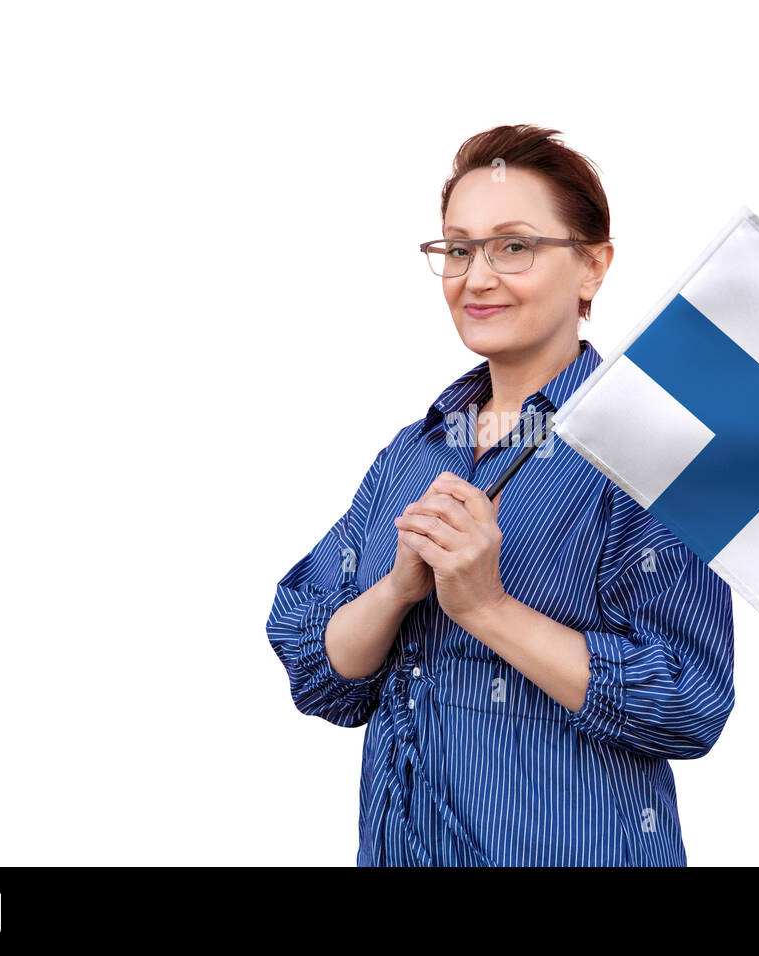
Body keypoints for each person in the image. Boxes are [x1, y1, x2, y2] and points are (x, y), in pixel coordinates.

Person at [266, 124, 735, 866]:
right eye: (457, 249)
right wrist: (394, 592)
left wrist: (486, 607)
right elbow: (320, 672)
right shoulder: (413, 452)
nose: (476, 277)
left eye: (513, 246)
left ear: (592, 267)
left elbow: (687, 704)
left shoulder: (650, 454)